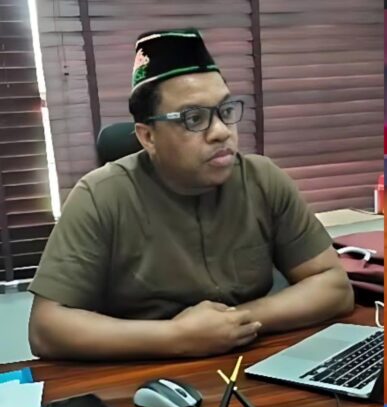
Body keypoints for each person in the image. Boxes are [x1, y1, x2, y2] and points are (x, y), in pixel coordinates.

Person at [27, 29, 354, 360]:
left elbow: (334, 287)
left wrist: (235, 323)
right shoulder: (100, 197)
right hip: (143, 378)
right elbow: (47, 327)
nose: (222, 132)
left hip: (251, 366)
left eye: (226, 111)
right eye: (194, 118)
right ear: (148, 136)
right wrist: (176, 336)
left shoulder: (262, 179)